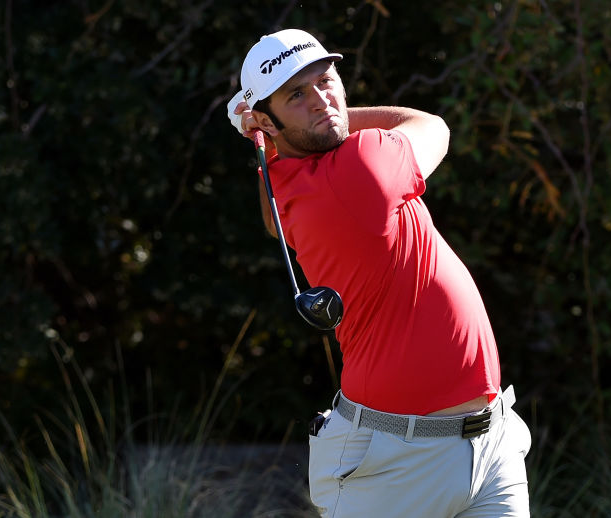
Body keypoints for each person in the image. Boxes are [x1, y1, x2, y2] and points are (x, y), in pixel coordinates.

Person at [226, 28, 531, 517]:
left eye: (326, 81)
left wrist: (270, 134)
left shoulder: (285, 180)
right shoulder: (364, 163)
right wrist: (322, 121)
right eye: (297, 95)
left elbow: (271, 216)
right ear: (266, 117)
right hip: (395, 464)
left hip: (489, 443)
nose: (322, 100)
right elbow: (431, 124)